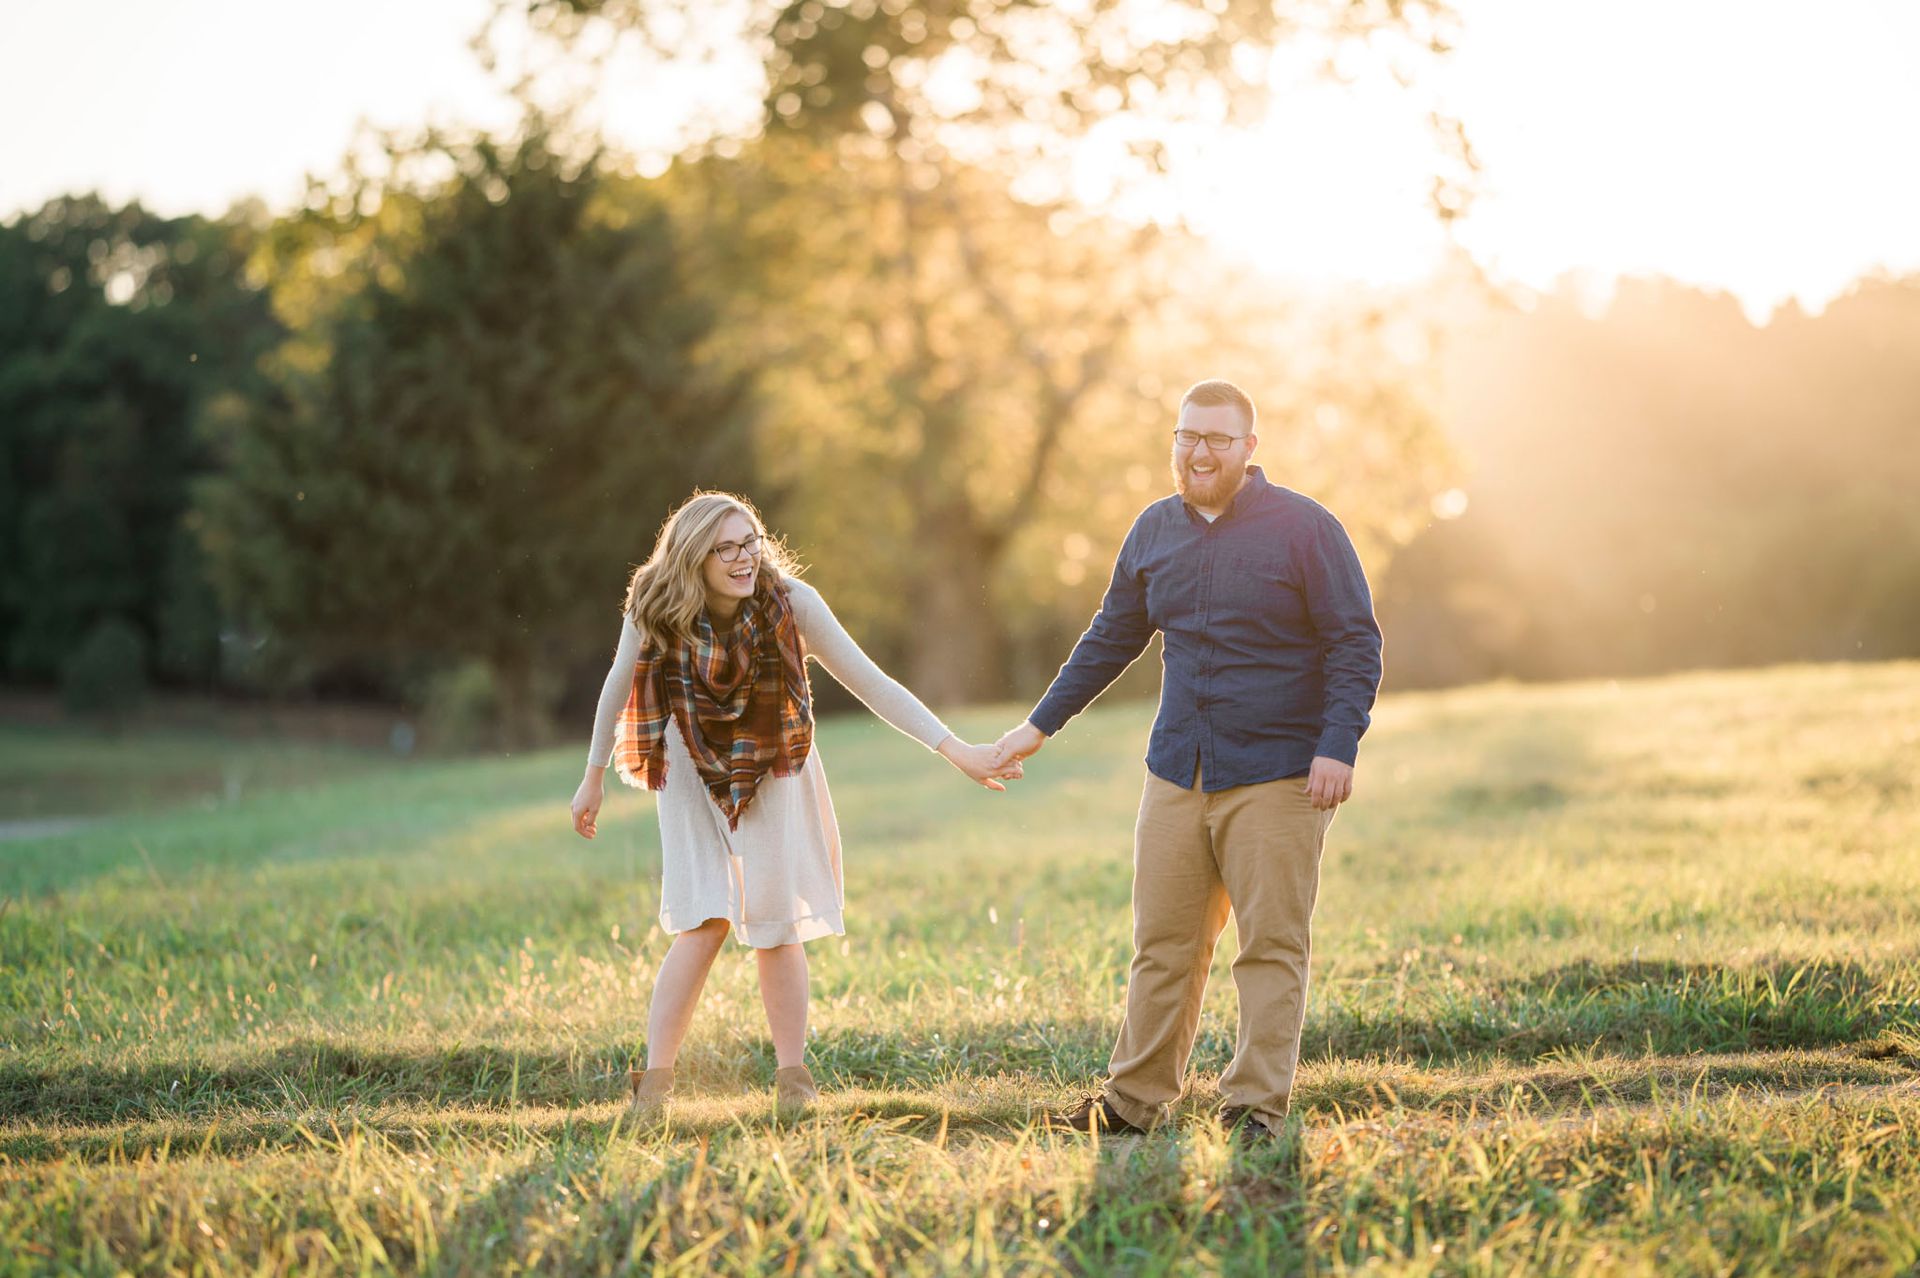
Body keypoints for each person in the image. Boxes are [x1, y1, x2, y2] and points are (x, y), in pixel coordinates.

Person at [994, 378, 1382, 1142]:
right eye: (1187, 436)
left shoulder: (1306, 529)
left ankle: (1254, 1109)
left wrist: (1338, 746)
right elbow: (1110, 638)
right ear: (1174, 441)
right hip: (1177, 770)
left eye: (1216, 439)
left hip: (1278, 774)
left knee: (1270, 948)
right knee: (1162, 946)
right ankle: (1132, 1103)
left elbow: (1355, 642)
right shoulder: (1152, 530)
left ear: (1248, 448)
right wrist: (1038, 726)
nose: (1199, 451)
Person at [572, 490, 1020, 1116]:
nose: (742, 558)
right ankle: (655, 1084)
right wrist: (593, 776)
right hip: (689, 758)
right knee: (704, 921)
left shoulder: (791, 605)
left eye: (749, 541)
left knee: (777, 919)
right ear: (694, 559)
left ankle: (793, 1080)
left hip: (774, 754)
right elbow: (618, 683)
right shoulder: (655, 603)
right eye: (724, 548)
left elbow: (871, 681)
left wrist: (954, 749)